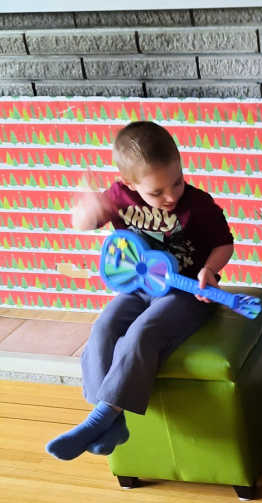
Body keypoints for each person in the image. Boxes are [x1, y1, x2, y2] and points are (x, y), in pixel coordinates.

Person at [46, 121, 234, 460]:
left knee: (141, 333)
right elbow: (83, 223)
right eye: (157, 192)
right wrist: (86, 209)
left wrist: (210, 269)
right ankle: (111, 422)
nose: (171, 196)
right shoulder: (118, 198)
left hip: (188, 292)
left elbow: (225, 244)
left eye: (177, 181)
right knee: (104, 327)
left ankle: (102, 418)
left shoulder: (199, 205)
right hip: (139, 288)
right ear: (128, 184)